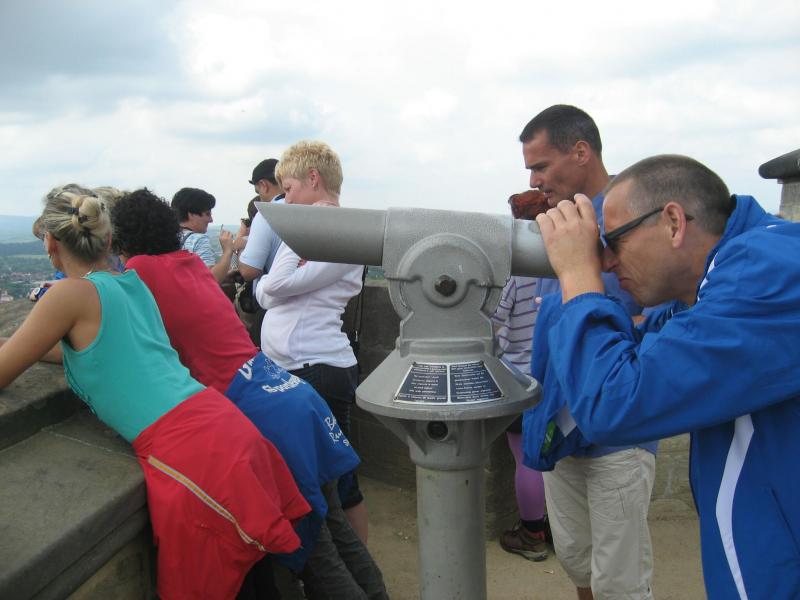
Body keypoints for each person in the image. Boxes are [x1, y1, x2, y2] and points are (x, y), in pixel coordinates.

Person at [0, 185, 309, 599]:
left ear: (51, 243)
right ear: (108, 238)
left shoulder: (67, 294)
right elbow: (97, 352)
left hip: (189, 453)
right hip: (225, 427)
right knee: (255, 580)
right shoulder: (131, 285)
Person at [534, 154, 800, 599]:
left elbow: (614, 405)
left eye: (613, 241)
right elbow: (642, 350)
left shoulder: (766, 274)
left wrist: (578, 275)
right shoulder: (726, 277)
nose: (606, 262)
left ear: (673, 223)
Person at [113, 188, 388, 599]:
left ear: (122, 239)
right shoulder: (189, 264)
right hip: (289, 394)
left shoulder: (139, 274)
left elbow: (111, 340)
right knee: (335, 528)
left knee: (316, 555)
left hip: (260, 414)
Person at [518, 105, 658, 600]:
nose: (534, 181)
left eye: (541, 166)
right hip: (558, 426)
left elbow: (664, 317)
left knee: (619, 578)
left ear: (580, 152)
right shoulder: (558, 223)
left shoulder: (633, 220)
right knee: (577, 560)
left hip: (617, 434)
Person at [256, 140, 369, 543]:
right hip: (303, 366)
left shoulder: (339, 232)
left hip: (317, 367)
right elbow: (267, 294)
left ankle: (355, 567)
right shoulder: (320, 231)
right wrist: (283, 272)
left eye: (288, 189)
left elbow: (274, 286)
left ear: (313, 178)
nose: (286, 200)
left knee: (338, 482)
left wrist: (295, 240)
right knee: (318, 480)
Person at [493, 191, 550, 562]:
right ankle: (558, 527)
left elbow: (493, 323)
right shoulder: (559, 264)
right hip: (554, 378)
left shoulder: (516, 274)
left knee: (525, 458)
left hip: (519, 379)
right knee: (555, 459)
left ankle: (532, 534)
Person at [171, 186, 244, 283]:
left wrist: (223, 274)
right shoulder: (198, 239)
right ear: (191, 214)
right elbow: (211, 279)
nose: (211, 219)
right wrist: (227, 251)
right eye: (207, 214)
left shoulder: (168, 237)